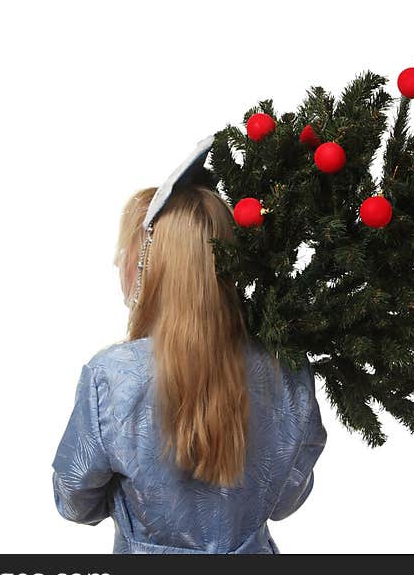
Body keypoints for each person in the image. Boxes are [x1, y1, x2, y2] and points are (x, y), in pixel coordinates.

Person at [51, 139, 327, 554]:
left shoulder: (111, 377)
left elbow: (73, 499)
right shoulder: (284, 369)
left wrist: (133, 503)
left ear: (151, 264)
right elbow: (287, 501)